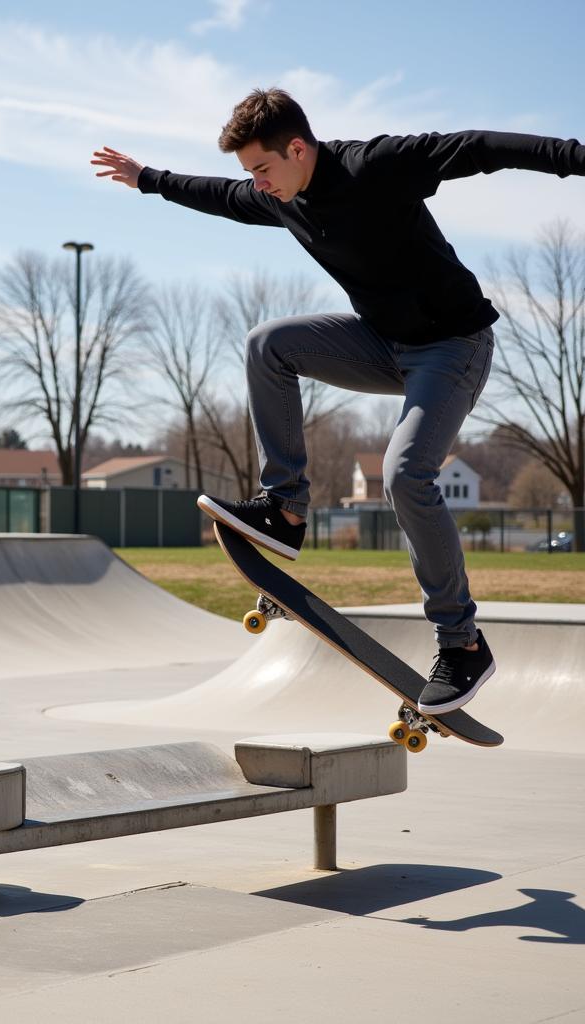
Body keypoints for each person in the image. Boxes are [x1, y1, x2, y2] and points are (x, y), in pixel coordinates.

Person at [92, 88, 585, 715]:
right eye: (251, 174)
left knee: (406, 476)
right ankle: (285, 509)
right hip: (380, 343)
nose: (258, 185)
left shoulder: (374, 166)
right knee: (267, 345)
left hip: (453, 347)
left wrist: (577, 157)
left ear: (298, 148)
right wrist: (148, 180)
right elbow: (221, 196)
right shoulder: (281, 195)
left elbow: (482, 148)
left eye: (263, 169)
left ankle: (462, 644)